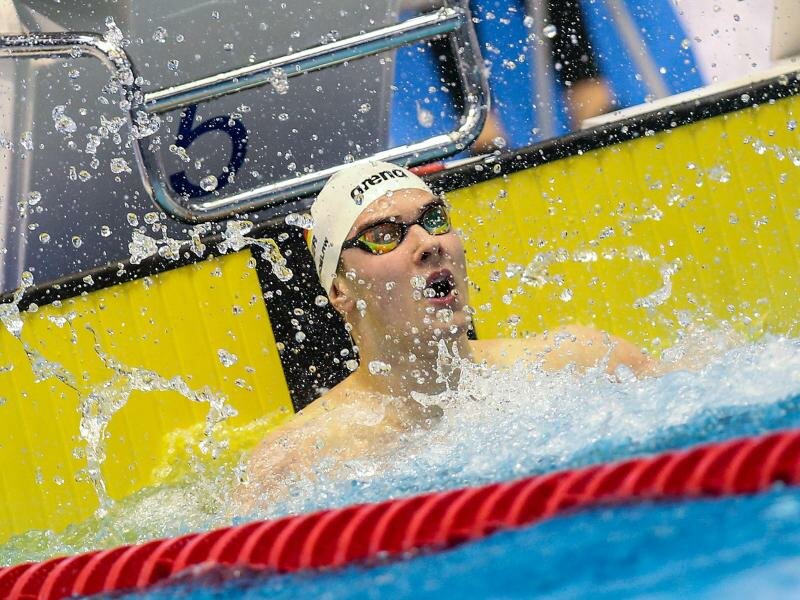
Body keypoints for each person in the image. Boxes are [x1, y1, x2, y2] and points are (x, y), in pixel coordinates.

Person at [235, 160, 653, 512]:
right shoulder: (295, 462)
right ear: (339, 290)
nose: (427, 243)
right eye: (383, 235)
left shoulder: (582, 362)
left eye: (434, 220)